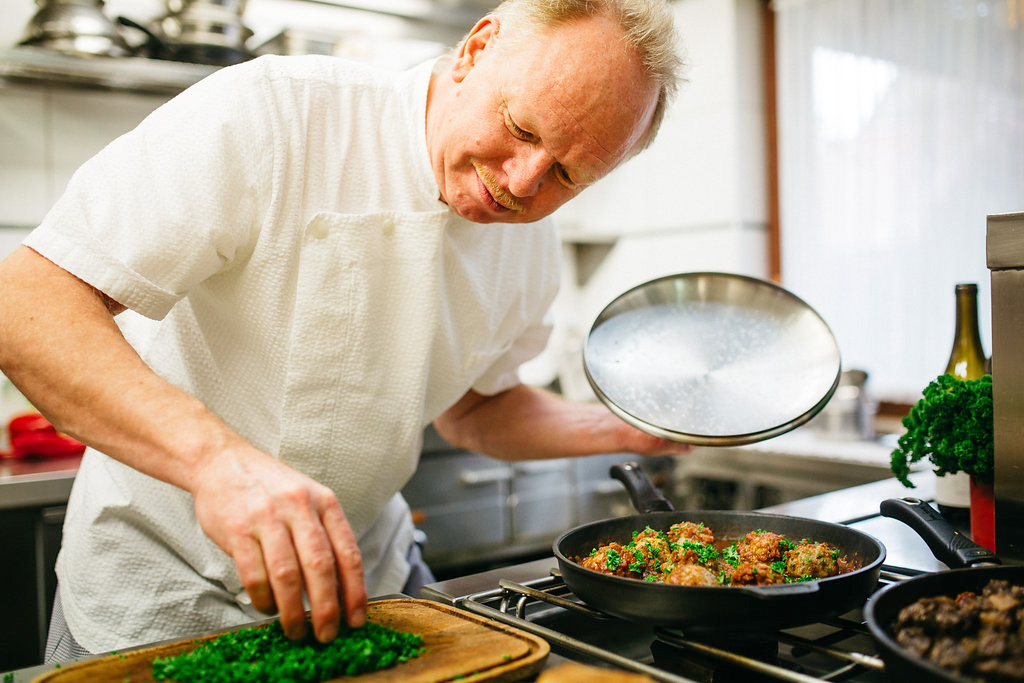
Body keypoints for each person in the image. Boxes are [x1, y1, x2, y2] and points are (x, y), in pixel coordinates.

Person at [0, 0, 688, 661]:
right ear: (475, 50)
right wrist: (215, 462)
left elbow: (476, 409)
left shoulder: (530, 247)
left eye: (567, 174)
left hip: (367, 581)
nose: (523, 183)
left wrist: (628, 429)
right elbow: (25, 303)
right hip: (158, 589)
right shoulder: (277, 114)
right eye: (522, 128)